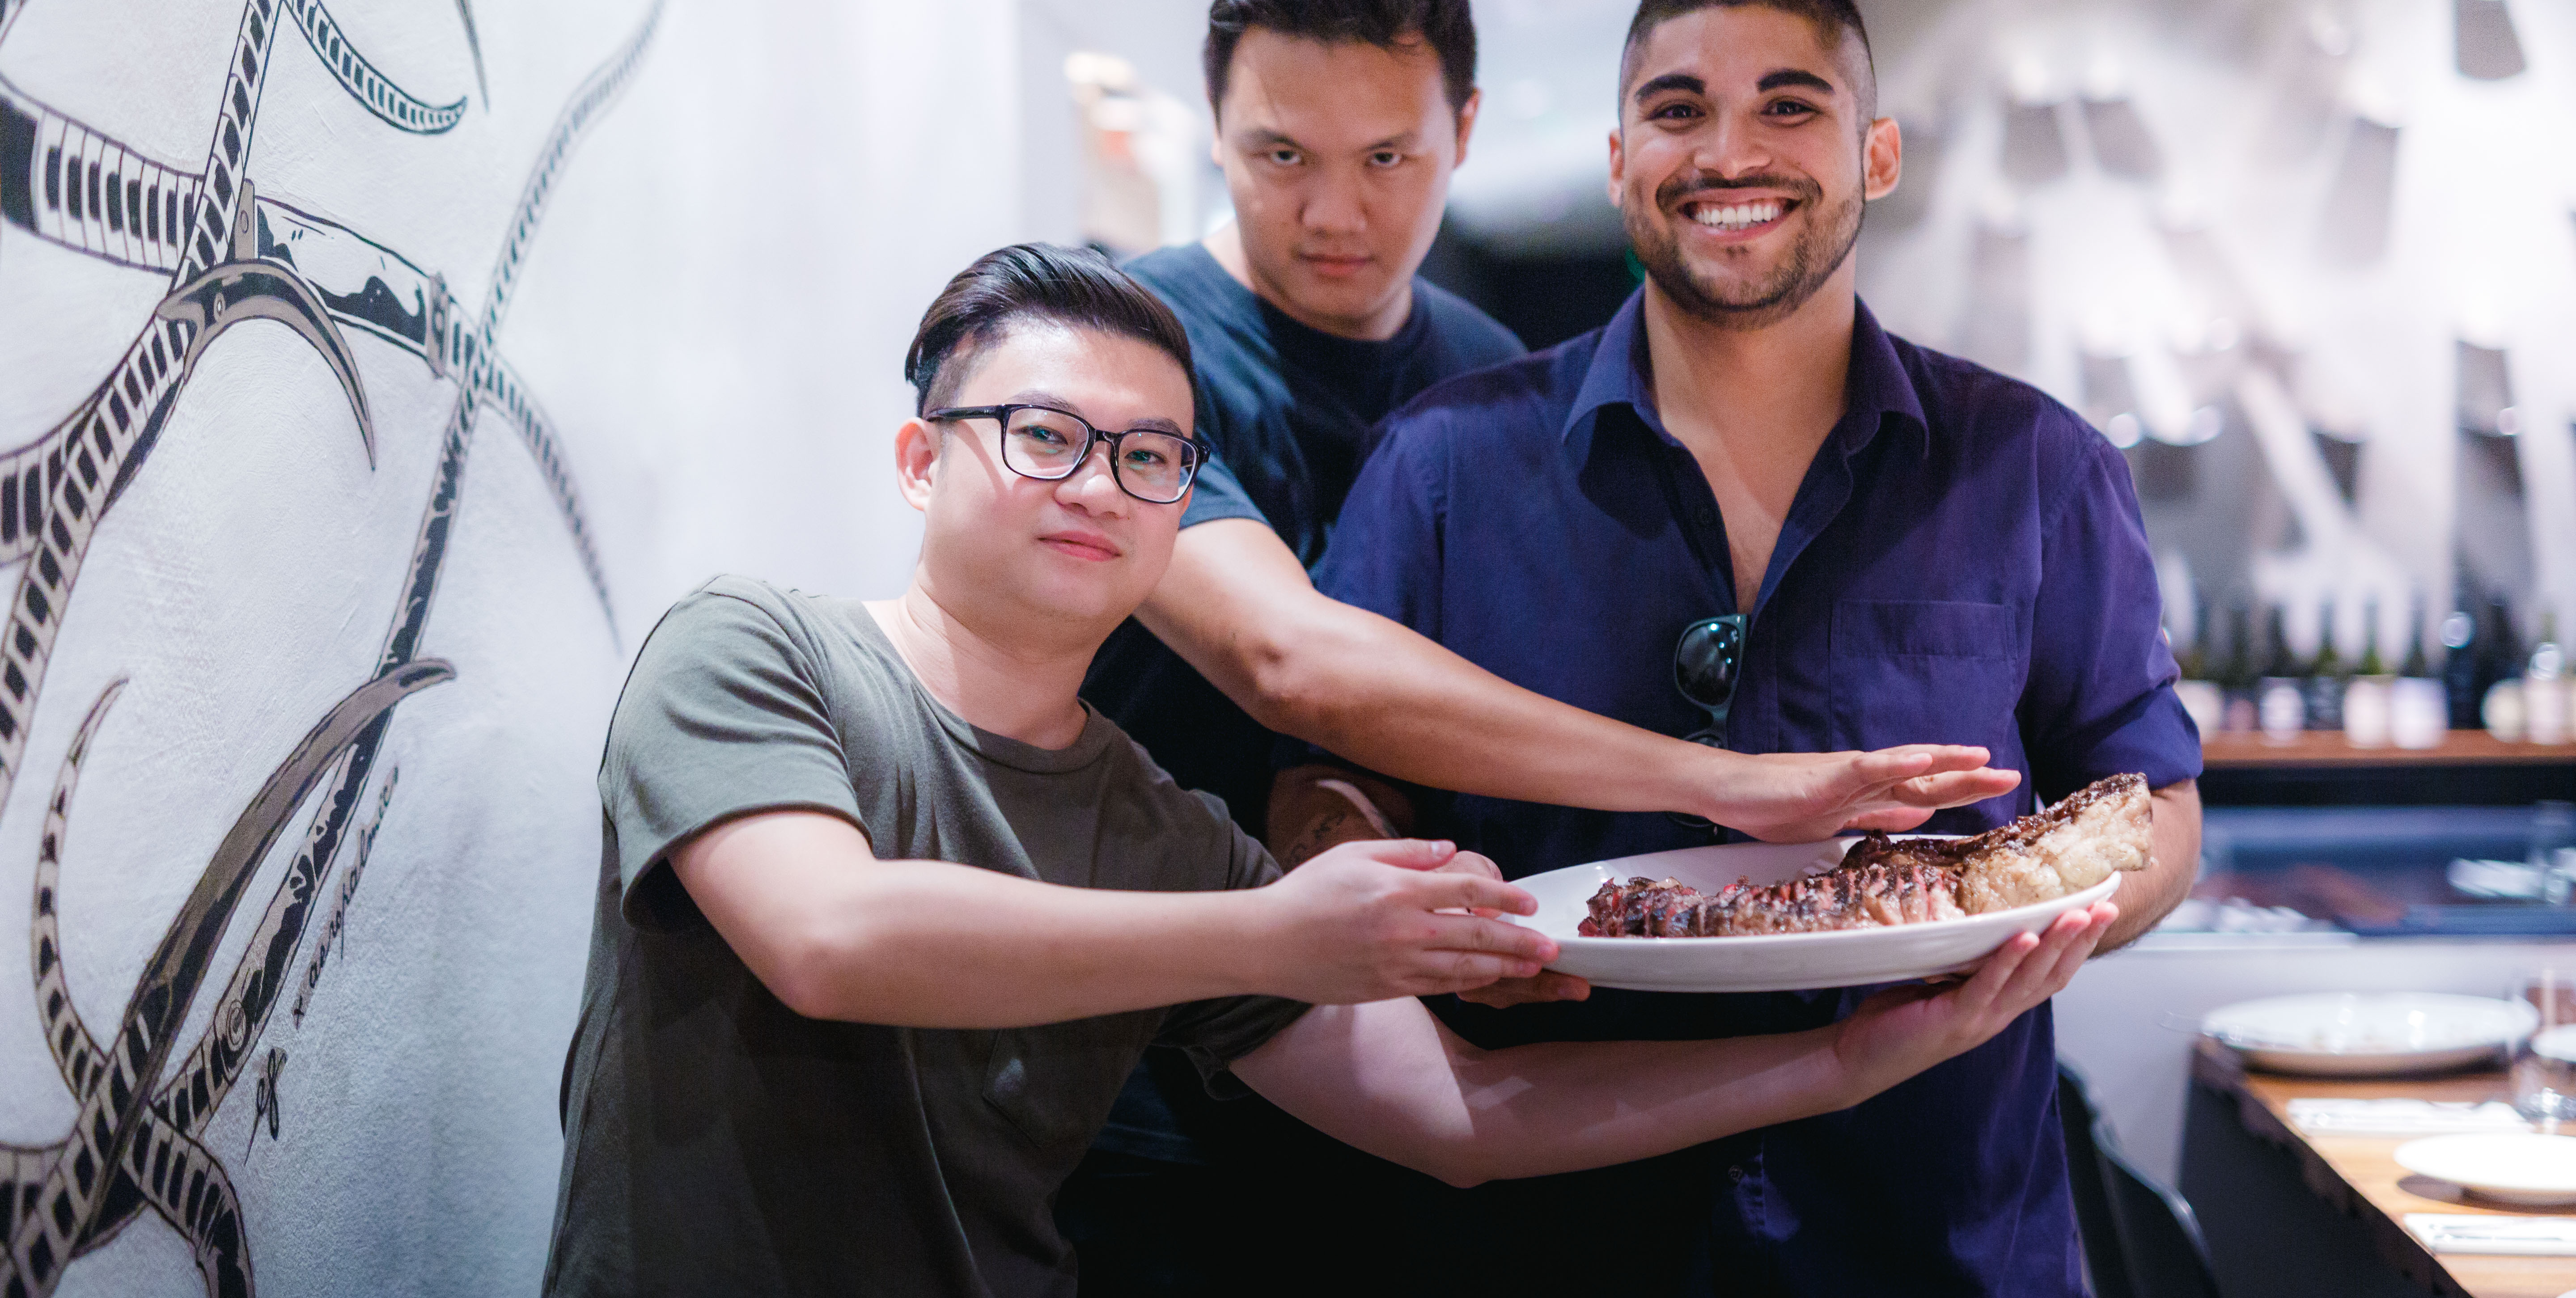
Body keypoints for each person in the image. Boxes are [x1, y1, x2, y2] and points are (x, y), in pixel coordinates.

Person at [540, 243, 2114, 1298]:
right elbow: (830, 939)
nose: (1099, 486)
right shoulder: (755, 651)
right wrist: (1276, 932)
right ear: (918, 460)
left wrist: (1856, 1060)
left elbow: (1465, 1115)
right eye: (1042, 435)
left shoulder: (1156, 827)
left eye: (1150, 458)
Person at [1068, 0, 2017, 1284]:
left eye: (1388, 156)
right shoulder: (1128, 353)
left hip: (1417, 1074)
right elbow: (1293, 666)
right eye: (1280, 155)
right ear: (1213, 131)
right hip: (1147, 1063)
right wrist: (1731, 786)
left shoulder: (1485, 374)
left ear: (1465, 129)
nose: (1335, 211)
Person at [1276, 0, 2205, 1295]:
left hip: (1935, 1232)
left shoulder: (2036, 466)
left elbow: (2153, 802)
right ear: (1619, 163)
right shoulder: (1444, 464)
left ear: (1876, 154)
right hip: (1551, 1233)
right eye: (1677, 110)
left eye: (1787, 105)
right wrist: (1411, 909)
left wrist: (2035, 929)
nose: (1728, 153)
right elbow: (1324, 784)